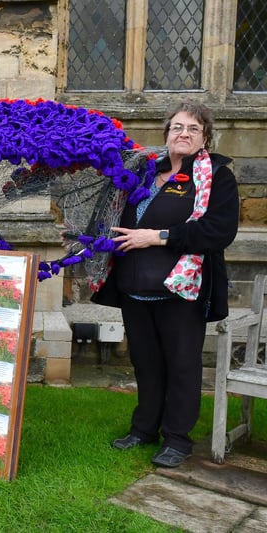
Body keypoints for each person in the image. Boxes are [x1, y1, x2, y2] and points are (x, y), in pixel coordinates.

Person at [91, 102, 240, 468]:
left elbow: (219, 230)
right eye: (176, 127)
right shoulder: (143, 173)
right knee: (145, 363)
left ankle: (177, 438)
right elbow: (112, 216)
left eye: (192, 128)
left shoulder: (216, 176)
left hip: (181, 290)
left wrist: (154, 237)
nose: (183, 134)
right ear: (166, 134)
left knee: (182, 364)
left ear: (206, 136)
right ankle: (144, 429)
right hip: (134, 286)